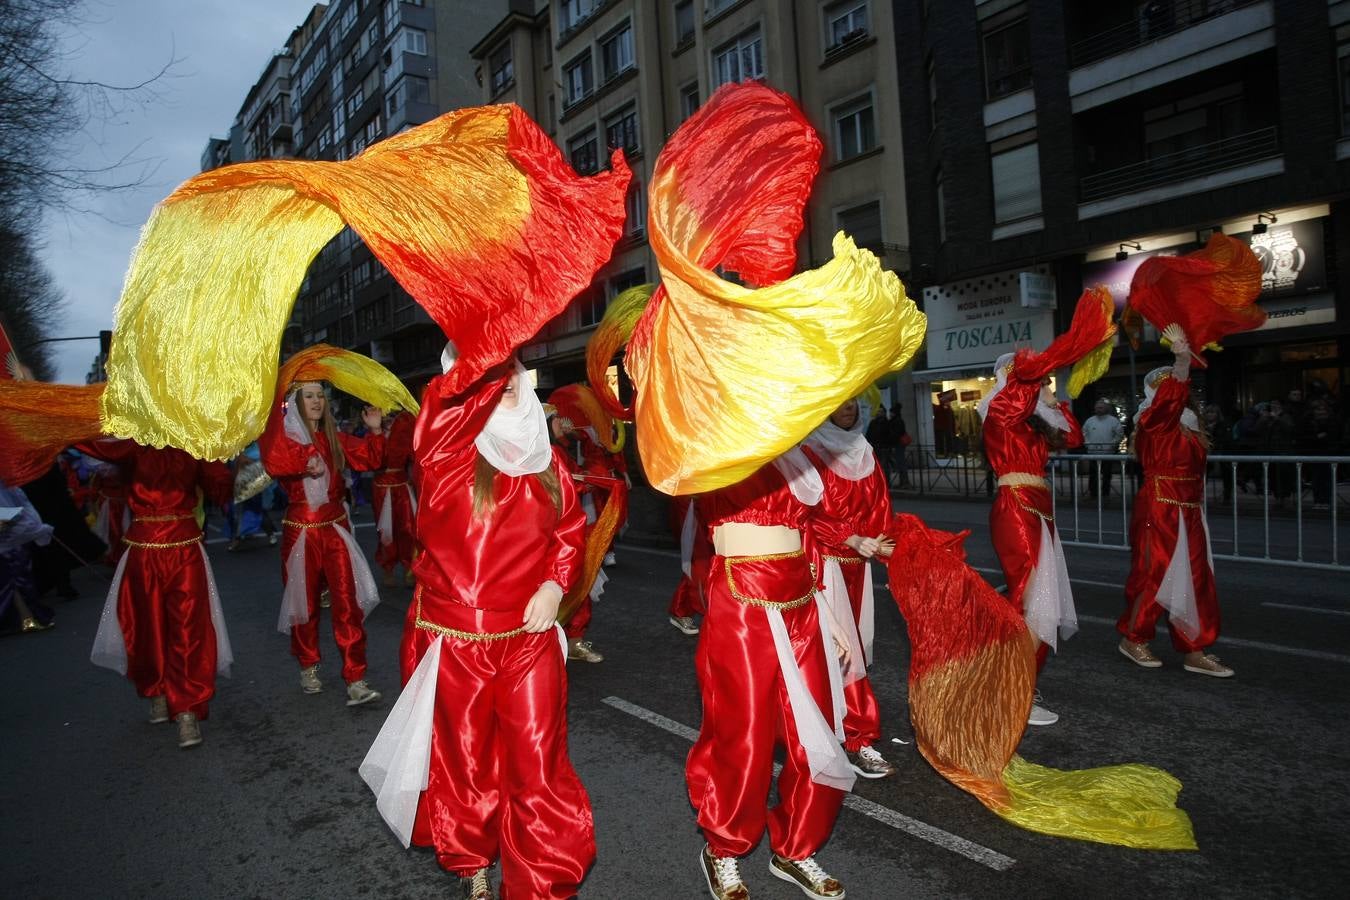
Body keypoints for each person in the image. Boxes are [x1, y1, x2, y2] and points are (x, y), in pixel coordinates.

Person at [362, 352, 591, 900]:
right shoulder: (446, 450)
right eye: (489, 374)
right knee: (465, 761)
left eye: (510, 371)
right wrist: (478, 352)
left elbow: (569, 529)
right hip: (457, 641)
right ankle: (473, 860)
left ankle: (540, 882)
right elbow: (443, 409)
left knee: (538, 760)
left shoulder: (548, 457)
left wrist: (556, 583)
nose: (504, 382)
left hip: (529, 638)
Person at [688, 450, 855, 900]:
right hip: (742, 598)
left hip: (801, 595)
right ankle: (724, 847)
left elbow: (808, 535)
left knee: (814, 731)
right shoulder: (719, 433)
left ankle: (796, 848)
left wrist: (828, 611)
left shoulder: (798, 444)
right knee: (744, 732)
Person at [82, 440, 235, 748]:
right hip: (143, 551)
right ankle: (156, 689)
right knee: (146, 630)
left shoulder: (192, 444)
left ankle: (187, 709)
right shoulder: (133, 445)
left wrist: (219, 454)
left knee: (189, 629)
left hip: (185, 548)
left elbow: (221, 487)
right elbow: (96, 445)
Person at [259, 380, 386, 706]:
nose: (316, 401)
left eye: (320, 396)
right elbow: (276, 462)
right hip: (300, 531)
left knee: (348, 603)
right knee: (306, 605)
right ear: (297, 402)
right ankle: (308, 664)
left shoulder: (334, 438)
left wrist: (374, 431)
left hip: (335, 529)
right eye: (309, 396)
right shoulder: (286, 440)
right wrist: (304, 460)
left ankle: (355, 677)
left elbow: (369, 460)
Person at [1117, 333, 1233, 677]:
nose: (1173, 385)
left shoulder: (1189, 425)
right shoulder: (1153, 421)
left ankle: (1194, 647)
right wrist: (1182, 360)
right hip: (1160, 504)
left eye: (1176, 380)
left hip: (1191, 509)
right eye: (1165, 383)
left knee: (1196, 577)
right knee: (1155, 573)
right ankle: (1133, 637)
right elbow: (1168, 404)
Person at [979, 352, 1083, 727]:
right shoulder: (1000, 412)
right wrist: (1032, 377)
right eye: (1037, 380)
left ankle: (1020, 684)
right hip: (1016, 508)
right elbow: (1015, 399)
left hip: (1040, 508)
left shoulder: (1033, 421)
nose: (1043, 386)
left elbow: (1073, 438)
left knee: (1045, 602)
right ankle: (1009, 689)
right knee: (1029, 596)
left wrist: (1055, 404)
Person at [802, 396, 898, 779]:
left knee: (850, 650)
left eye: (854, 400)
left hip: (857, 568)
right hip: (822, 565)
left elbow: (881, 508)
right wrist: (849, 537)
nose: (849, 407)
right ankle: (858, 738)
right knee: (840, 655)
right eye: (840, 400)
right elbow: (806, 513)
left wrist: (883, 543)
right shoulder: (808, 451)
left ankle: (840, 731)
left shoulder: (864, 450)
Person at [0, 480, 56, 633]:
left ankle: (26, 616)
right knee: (15, 577)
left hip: (11, 535)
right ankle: (26, 616)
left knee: (13, 578)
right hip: (10, 536)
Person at [373, 410, 417, 586]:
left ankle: (410, 567)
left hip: (402, 486)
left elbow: (414, 455)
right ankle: (388, 568)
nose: (388, 418)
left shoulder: (404, 431)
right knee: (386, 531)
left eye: (391, 415)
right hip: (382, 489)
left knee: (407, 528)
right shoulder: (374, 434)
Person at [667, 493, 709, 636]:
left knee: (707, 561)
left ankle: (680, 609)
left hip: (714, 499)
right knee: (700, 562)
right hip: (693, 500)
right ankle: (710, 613)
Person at [1081, 398, 1125, 497]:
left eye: (1101, 408)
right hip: (1092, 453)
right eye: (1097, 408)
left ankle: (1105, 494)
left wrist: (1112, 444)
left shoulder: (1113, 421)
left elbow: (1119, 435)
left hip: (1107, 453)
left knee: (1107, 475)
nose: (1098, 409)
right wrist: (1087, 443)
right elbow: (1084, 433)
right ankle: (1093, 493)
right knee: (1093, 475)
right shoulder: (1090, 421)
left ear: (1106, 408)